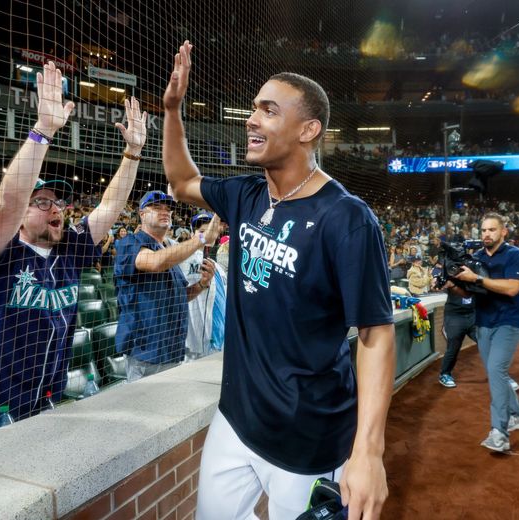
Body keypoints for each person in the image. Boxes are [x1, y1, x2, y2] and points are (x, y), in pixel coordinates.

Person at [162, 41, 395, 519]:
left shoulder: (347, 218)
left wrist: (368, 451)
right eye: (253, 109)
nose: (251, 119)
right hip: (235, 419)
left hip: (308, 438)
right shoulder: (246, 193)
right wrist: (171, 109)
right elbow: (182, 181)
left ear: (308, 130)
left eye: (268, 111)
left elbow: (375, 332)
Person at [0, 63, 148, 441]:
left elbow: (109, 208)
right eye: (40, 202)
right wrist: (43, 131)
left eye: (57, 202)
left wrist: (133, 153)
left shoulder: (69, 250)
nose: (55, 209)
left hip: (42, 402)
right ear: (21, 215)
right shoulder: (1, 248)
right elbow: (8, 202)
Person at [114, 192, 219, 381]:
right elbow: (154, 262)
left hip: (172, 348)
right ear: (142, 214)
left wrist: (202, 284)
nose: (165, 211)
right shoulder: (129, 243)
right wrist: (201, 239)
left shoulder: (168, 249)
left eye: (168, 208)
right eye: (156, 207)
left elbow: (180, 296)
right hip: (145, 351)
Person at [450, 213, 519, 452]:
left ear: (503, 232)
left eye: (492, 230)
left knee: (496, 370)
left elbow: (512, 289)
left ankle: (500, 433)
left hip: (508, 322)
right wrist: (453, 285)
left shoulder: (516, 255)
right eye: (483, 230)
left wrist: (476, 278)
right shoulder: (475, 258)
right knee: (496, 373)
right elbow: (468, 294)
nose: (486, 234)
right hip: (483, 322)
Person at [178, 211, 226, 359]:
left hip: (219, 340)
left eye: (210, 231)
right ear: (193, 234)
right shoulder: (184, 259)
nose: (206, 235)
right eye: (201, 232)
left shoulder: (217, 268)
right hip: (194, 345)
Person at [437, 290, 476, 388]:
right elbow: (436, 285)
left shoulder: (476, 275)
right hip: (455, 315)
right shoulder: (451, 276)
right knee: (453, 347)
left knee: (487, 343)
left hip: (473, 314)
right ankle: (445, 374)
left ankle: (500, 375)